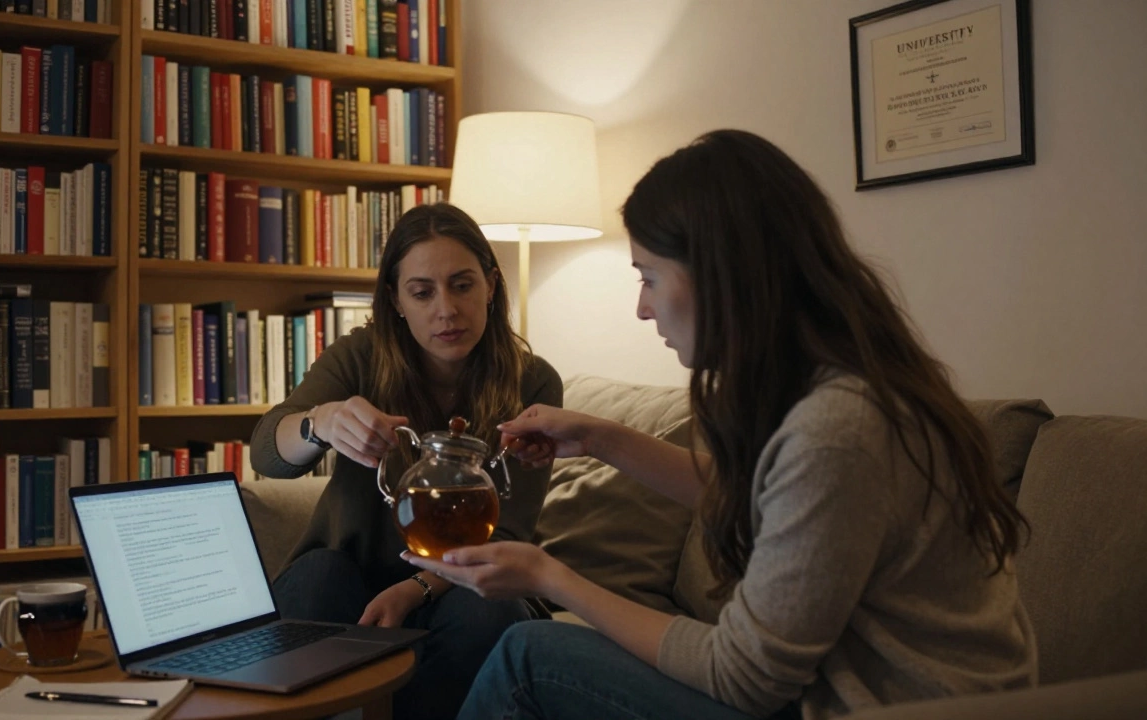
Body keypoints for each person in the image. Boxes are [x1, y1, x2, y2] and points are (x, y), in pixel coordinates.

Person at [406, 130, 1038, 720]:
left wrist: (549, 577)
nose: (642, 306)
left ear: (720, 274)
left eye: (649, 277)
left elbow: (745, 674)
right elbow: (761, 502)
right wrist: (601, 438)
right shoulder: (831, 387)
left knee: (529, 656)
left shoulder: (839, 428)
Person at [249, 202, 562, 720]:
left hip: (465, 581)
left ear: (490, 284)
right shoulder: (360, 356)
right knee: (316, 580)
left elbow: (508, 535)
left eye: (462, 285)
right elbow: (267, 452)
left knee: (489, 608)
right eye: (422, 292)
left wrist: (414, 589)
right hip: (349, 572)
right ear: (395, 299)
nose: (447, 310)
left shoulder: (533, 381)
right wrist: (320, 422)